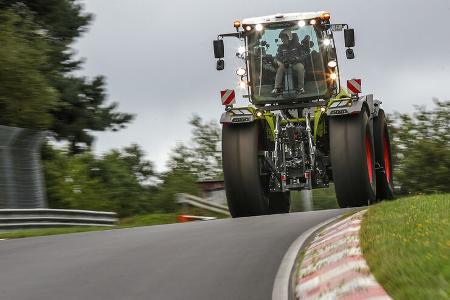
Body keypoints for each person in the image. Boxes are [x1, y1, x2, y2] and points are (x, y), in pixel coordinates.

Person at [272, 29, 309, 95]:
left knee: (300, 67)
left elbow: (303, 56)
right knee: (280, 68)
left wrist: (296, 59)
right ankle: (277, 88)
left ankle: (301, 88)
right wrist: (282, 60)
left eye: (284, 38)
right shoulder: (281, 47)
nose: (283, 40)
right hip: (285, 64)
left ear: (289, 37)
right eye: (282, 38)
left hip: (295, 63)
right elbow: (278, 56)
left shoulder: (297, 45)